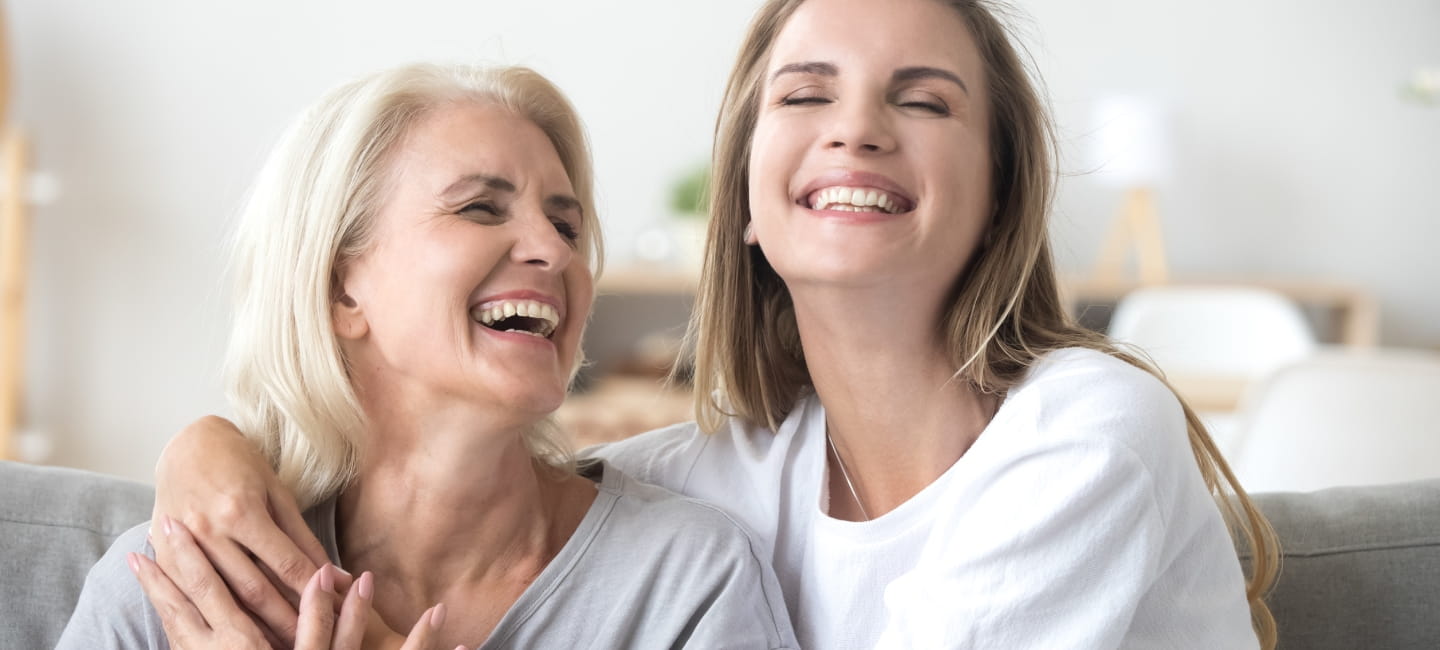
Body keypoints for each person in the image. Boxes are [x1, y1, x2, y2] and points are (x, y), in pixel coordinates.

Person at [148, 0, 1281, 648]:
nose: (856, 129)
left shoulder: (1087, 432)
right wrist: (210, 447)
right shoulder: (718, 483)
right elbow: (490, 484)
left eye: (923, 99)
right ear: (743, 193)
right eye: (805, 94)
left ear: (1000, 190)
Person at [56, 63, 797, 650]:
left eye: (566, 226)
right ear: (341, 287)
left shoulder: (687, 580)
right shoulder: (183, 583)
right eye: (480, 207)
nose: (553, 250)